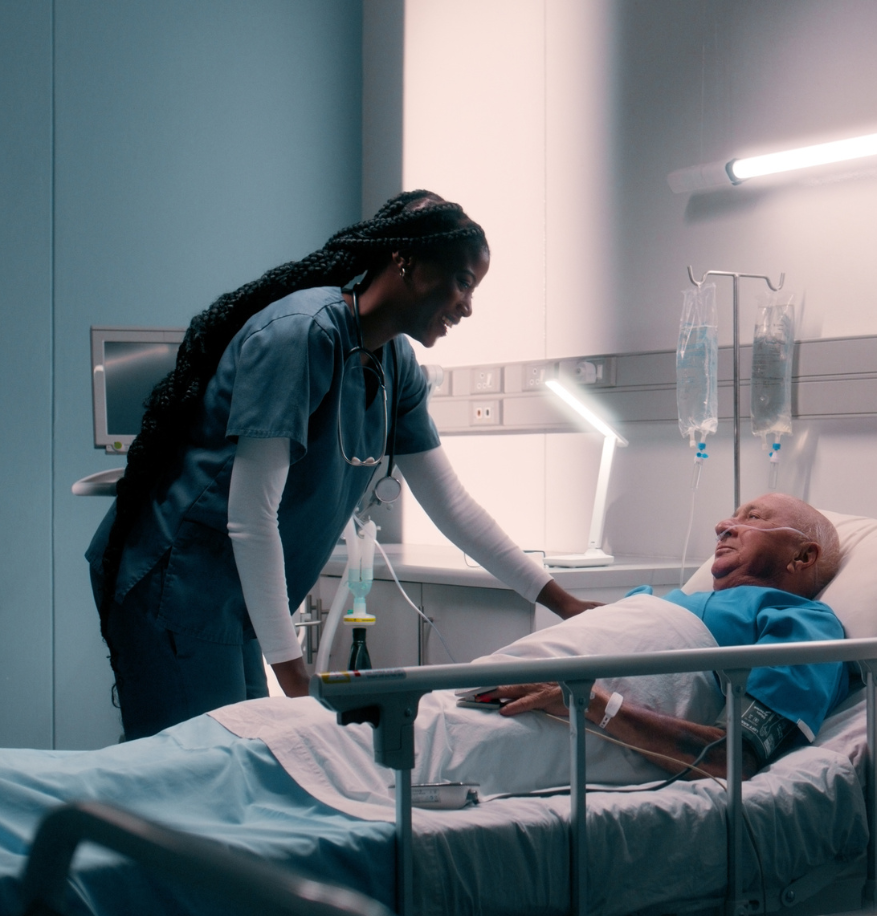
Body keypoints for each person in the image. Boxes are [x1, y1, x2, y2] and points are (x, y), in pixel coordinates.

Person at [88, 190, 598, 740]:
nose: (468, 306)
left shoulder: (396, 363)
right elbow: (250, 515)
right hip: (177, 584)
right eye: (463, 282)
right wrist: (294, 675)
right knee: (198, 772)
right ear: (407, 262)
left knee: (238, 763)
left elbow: (452, 507)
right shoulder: (300, 335)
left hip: (233, 598)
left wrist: (564, 602)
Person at [493, 492, 847, 778]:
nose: (723, 525)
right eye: (733, 516)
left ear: (802, 556)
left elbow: (732, 757)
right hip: (502, 680)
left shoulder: (806, 623)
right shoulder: (671, 601)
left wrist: (594, 702)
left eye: (752, 518)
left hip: (556, 721)